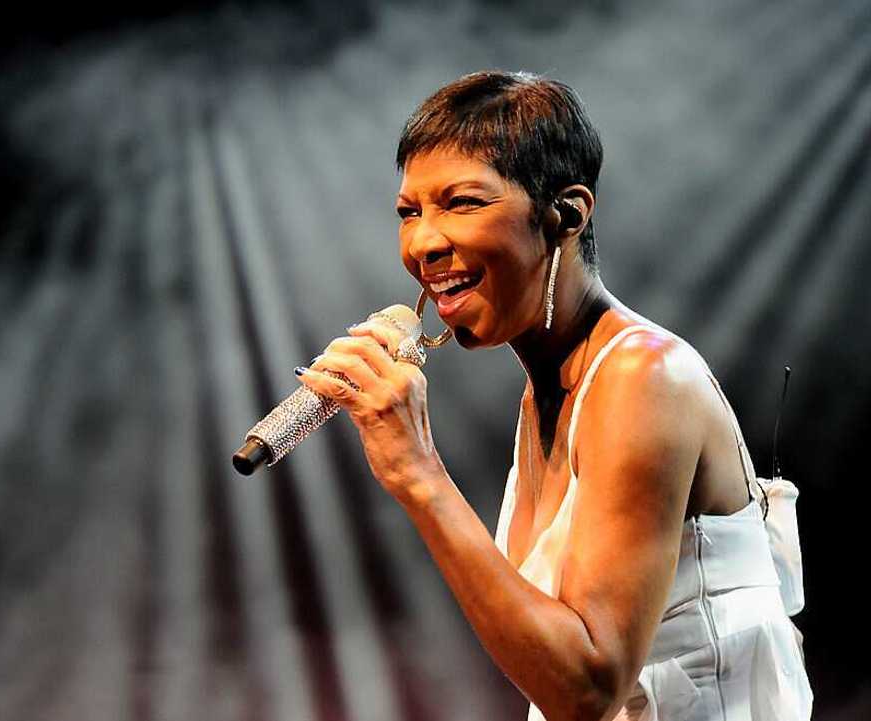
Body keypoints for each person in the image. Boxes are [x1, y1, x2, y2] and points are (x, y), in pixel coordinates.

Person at [293, 70, 811, 720]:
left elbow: (585, 688)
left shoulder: (642, 378)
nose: (423, 241)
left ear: (565, 213)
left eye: (462, 202)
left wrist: (417, 473)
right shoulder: (547, 391)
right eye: (409, 211)